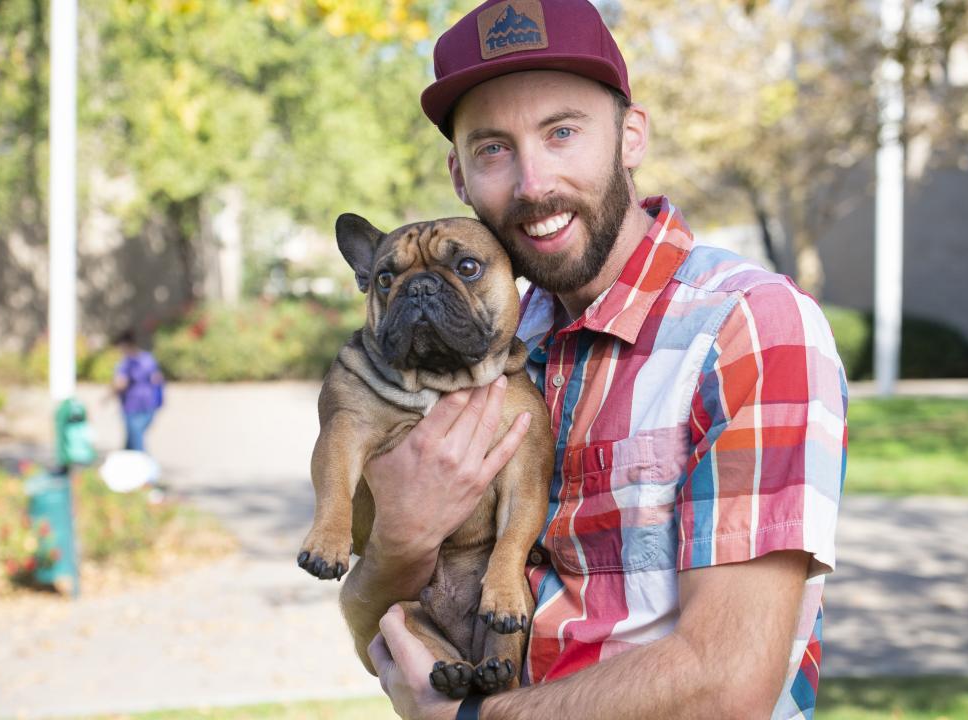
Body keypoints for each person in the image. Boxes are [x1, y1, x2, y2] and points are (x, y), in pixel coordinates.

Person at [344, 2, 847, 718]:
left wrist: (475, 716)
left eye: (563, 132)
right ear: (459, 176)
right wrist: (400, 535)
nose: (532, 182)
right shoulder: (494, 350)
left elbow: (727, 682)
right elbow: (381, 638)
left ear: (630, 135)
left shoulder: (747, 328)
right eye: (493, 148)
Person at [112, 329, 164, 453]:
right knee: (131, 441)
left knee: (136, 442)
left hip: (132, 406)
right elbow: (157, 379)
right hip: (148, 403)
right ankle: (126, 465)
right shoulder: (148, 359)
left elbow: (120, 383)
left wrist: (109, 395)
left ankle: (145, 466)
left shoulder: (125, 363)